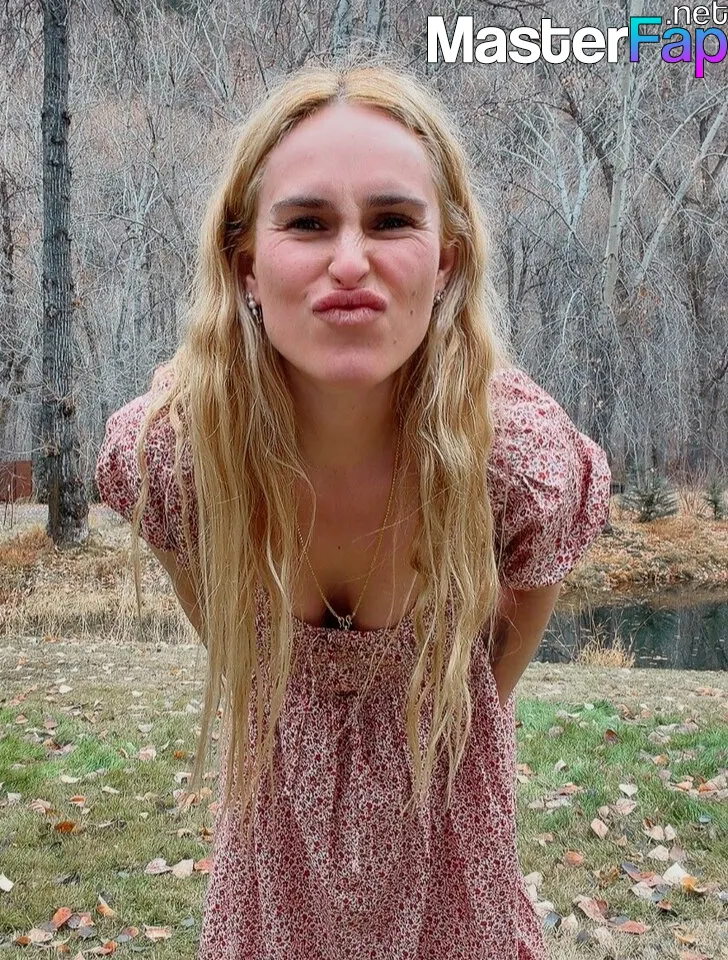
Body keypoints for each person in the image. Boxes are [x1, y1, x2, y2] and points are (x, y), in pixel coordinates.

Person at [95, 59, 611, 960]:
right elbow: (225, 630)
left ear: (445, 261)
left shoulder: (515, 461)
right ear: (246, 264)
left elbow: (498, 662)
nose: (349, 262)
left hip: (451, 858)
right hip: (274, 860)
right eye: (307, 222)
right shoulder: (178, 456)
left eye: (390, 220)